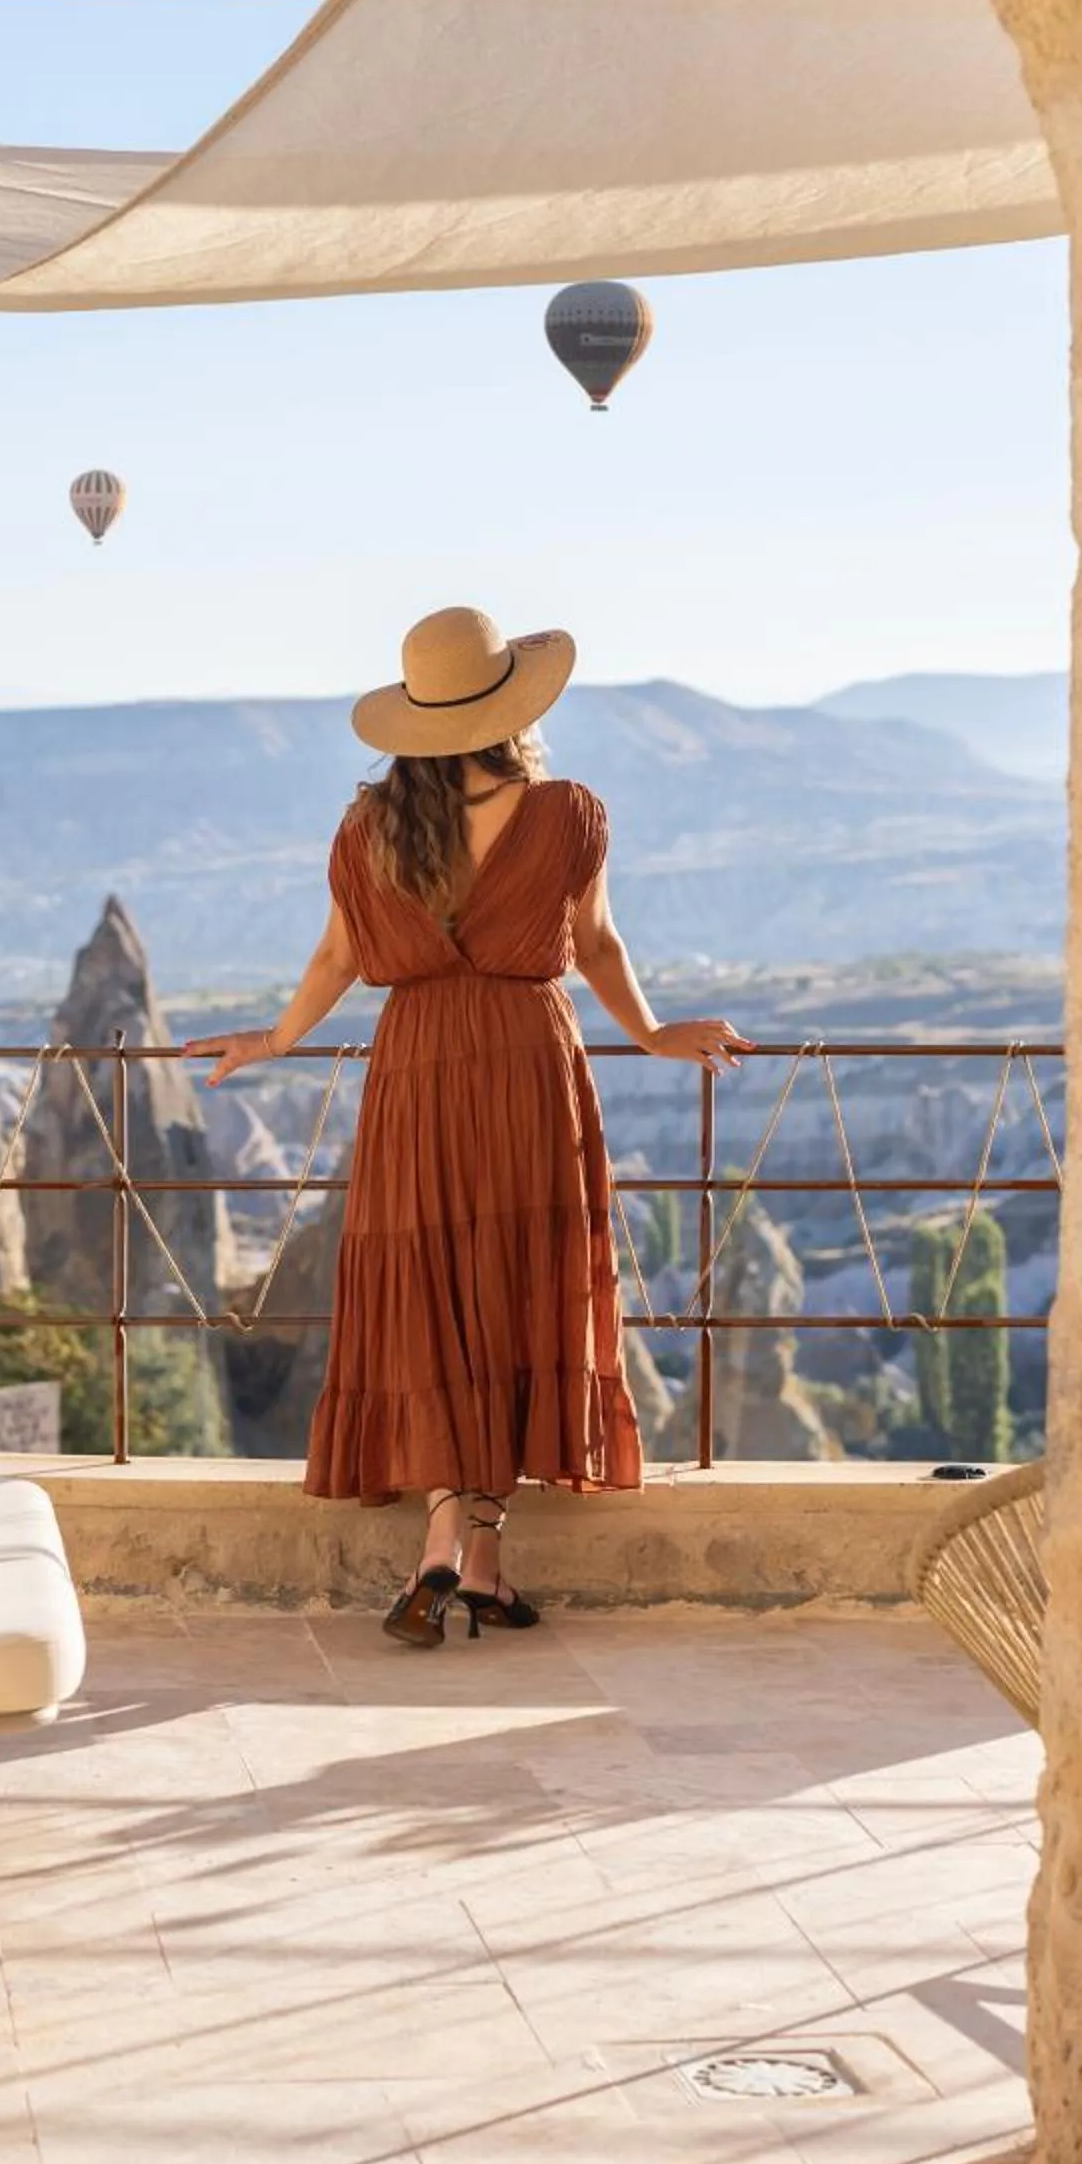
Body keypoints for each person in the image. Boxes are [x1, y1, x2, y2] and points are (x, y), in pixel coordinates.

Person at [186, 606, 749, 1646]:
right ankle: (474, 1547)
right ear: (510, 711)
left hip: (415, 1076)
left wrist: (273, 1037)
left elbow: (335, 961)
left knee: (433, 1294)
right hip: (529, 1065)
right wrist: (657, 1031)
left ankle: (453, 1543)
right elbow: (602, 944)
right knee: (517, 1292)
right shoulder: (570, 811)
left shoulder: (368, 828)